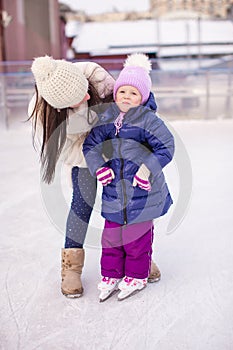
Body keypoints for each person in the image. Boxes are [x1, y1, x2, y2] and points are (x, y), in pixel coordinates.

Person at [28, 55, 162, 299]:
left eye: (85, 91)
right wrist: (97, 162)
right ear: (60, 107)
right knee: (82, 204)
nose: (89, 98)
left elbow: (129, 98)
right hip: (83, 155)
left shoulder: (95, 76)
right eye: (80, 99)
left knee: (131, 202)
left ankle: (139, 261)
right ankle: (71, 267)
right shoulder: (42, 117)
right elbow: (67, 153)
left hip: (118, 146)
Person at [83, 53, 175, 301]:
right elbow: (90, 146)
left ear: (142, 97)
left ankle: (137, 276)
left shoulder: (149, 121)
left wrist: (146, 169)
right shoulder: (107, 119)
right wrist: (99, 167)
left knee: (137, 239)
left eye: (133, 93)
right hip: (114, 190)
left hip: (142, 191)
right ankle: (111, 274)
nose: (126, 96)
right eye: (122, 91)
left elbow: (166, 147)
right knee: (111, 236)